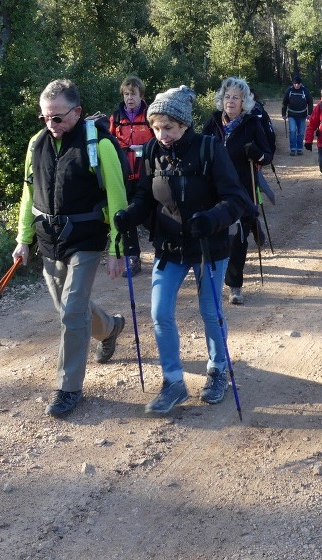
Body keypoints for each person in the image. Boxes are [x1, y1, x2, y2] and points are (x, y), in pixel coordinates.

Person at [113, 86, 253, 414]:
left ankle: (217, 370)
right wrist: (130, 216)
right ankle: (173, 382)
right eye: (157, 127)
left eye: (168, 128)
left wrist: (212, 219)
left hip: (209, 246)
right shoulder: (151, 152)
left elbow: (236, 200)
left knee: (210, 311)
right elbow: (144, 197)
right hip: (170, 246)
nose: (162, 135)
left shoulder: (209, 149)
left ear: (184, 125)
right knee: (160, 312)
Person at [12, 79, 128, 419]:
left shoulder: (99, 146)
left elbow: (117, 198)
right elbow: (28, 194)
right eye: (46, 117)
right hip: (48, 239)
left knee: (71, 311)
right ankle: (109, 328)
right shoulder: (36, 144)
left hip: (87, 238)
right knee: (68, 307)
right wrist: (23, 239)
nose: (52, 124)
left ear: (76, 112)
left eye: (58, 117)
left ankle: (68, 388)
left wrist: (118, 248)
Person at [202, 77, 273, 306]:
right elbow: (198, 147)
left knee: (237, 240)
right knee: (214, 233)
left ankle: (235, 285)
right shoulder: (212, 123)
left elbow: (267, 155)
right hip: (213, 189)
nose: (230, 101)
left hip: (242, 189)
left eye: (236, 97)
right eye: (227, 97)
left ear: (244, 102)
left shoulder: (252, 124)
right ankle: (211, 281)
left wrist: (256, 153)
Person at [108, 75, 151, 277]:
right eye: (126, 94)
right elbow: (109, 142)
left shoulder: (150, 115)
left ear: (141, 95)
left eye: (133, 94)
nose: (129, 98)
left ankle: (163, 250)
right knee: (128, 214)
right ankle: (133, 258)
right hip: (124, 173)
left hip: (147, 173)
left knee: (152, 213)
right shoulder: (116, 117)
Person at [281, 74, 313, 156]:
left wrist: (309, 114)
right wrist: (284, 114)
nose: (296, 85)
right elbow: (284, 103)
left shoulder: (305, 91)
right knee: (292, 131)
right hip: (292, 115)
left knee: (301, 132)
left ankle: (299, 148)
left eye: (298, 83)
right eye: (295, 83)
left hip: (302, 115)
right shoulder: (289, 91)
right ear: (293, 83)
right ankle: (292, 149)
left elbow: (310, 103)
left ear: (301, 83)